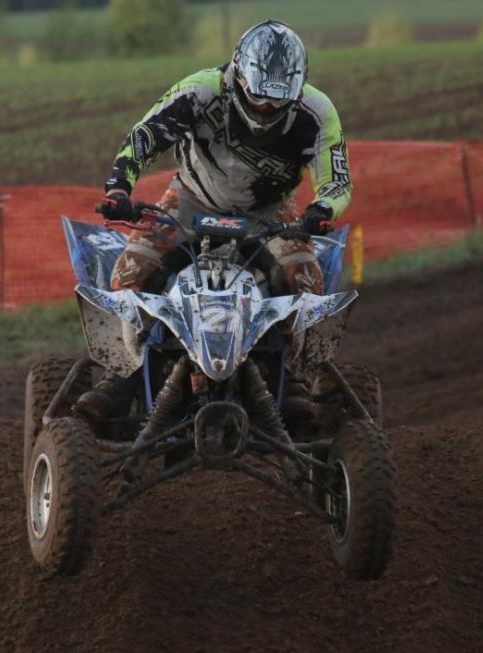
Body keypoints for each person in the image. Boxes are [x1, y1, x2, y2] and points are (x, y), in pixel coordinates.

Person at [77, 19, 352, 420]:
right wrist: (119, 189)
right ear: (239, 76)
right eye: (258, 97)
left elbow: (337, 181)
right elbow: (145, 136)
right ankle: (122, 377)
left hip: (270, 210)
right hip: (190, 198)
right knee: (129, 274)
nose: (266, 109)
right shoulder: (200, 90)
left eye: (277, 102)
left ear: (297, 90)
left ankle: (291, 377)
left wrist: (322, 209)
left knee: (306, 281)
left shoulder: (317, 112)